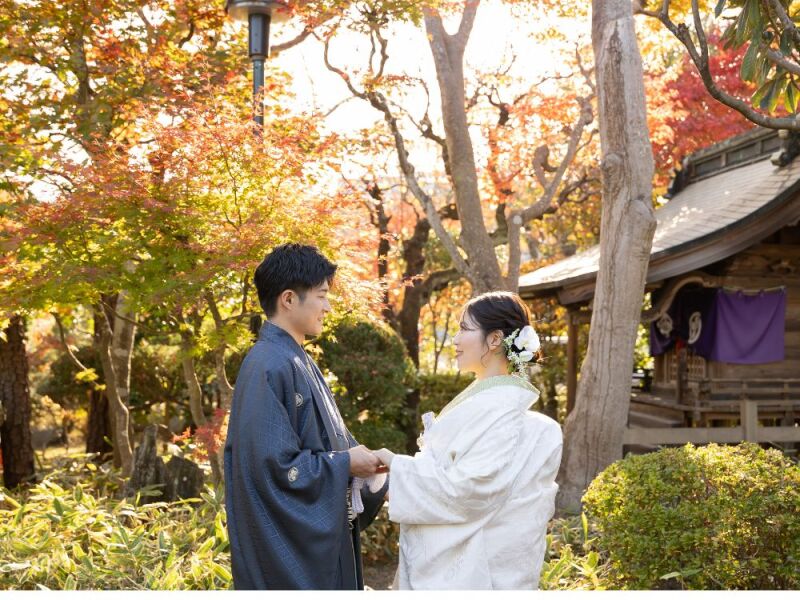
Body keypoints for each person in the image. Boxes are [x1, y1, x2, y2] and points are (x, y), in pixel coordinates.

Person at [223, 243, 389, 590]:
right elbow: (272, 468)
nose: (328, 307)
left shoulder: (293, 358)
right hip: (286, 559)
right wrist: (345, 464)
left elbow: (331, 443)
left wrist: (371, 470)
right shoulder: (268, 364)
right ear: (288, 299)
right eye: (322, 296)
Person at [374, 291, 563, 590]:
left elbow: (470, 490)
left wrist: (397, 471)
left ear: (495, 339)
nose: (455, 339)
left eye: (464, 328)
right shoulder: (488, 400)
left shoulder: (500, 410)